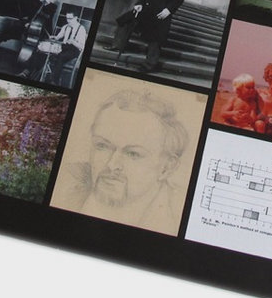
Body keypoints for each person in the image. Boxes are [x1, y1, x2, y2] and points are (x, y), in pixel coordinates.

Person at [55, 89, 188, 234]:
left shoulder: (180, 211)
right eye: (102, 146)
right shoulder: (64, 179)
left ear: (166, 168)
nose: (112, 165)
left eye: (133, 154)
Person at [109, 0, 184, 73]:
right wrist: (139, 4)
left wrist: (168, 10)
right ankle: (117, 45)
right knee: (125, 20)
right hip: (145, 10)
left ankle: (149, 65)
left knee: (155, 39)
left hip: (159, 13)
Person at [24, 11, 87, 85]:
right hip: (64, 47)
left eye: (70, 18)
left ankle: (54, 81)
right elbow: (58, 37)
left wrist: (73, 42)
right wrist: (54, 37)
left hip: (74, 50)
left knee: (61, 56)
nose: (68, 21)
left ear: (76, 18)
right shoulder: (66, 27)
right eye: (67, 18)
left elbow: (82, 47)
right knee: (40, 50)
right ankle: (27, 72)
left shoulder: (81, 29)